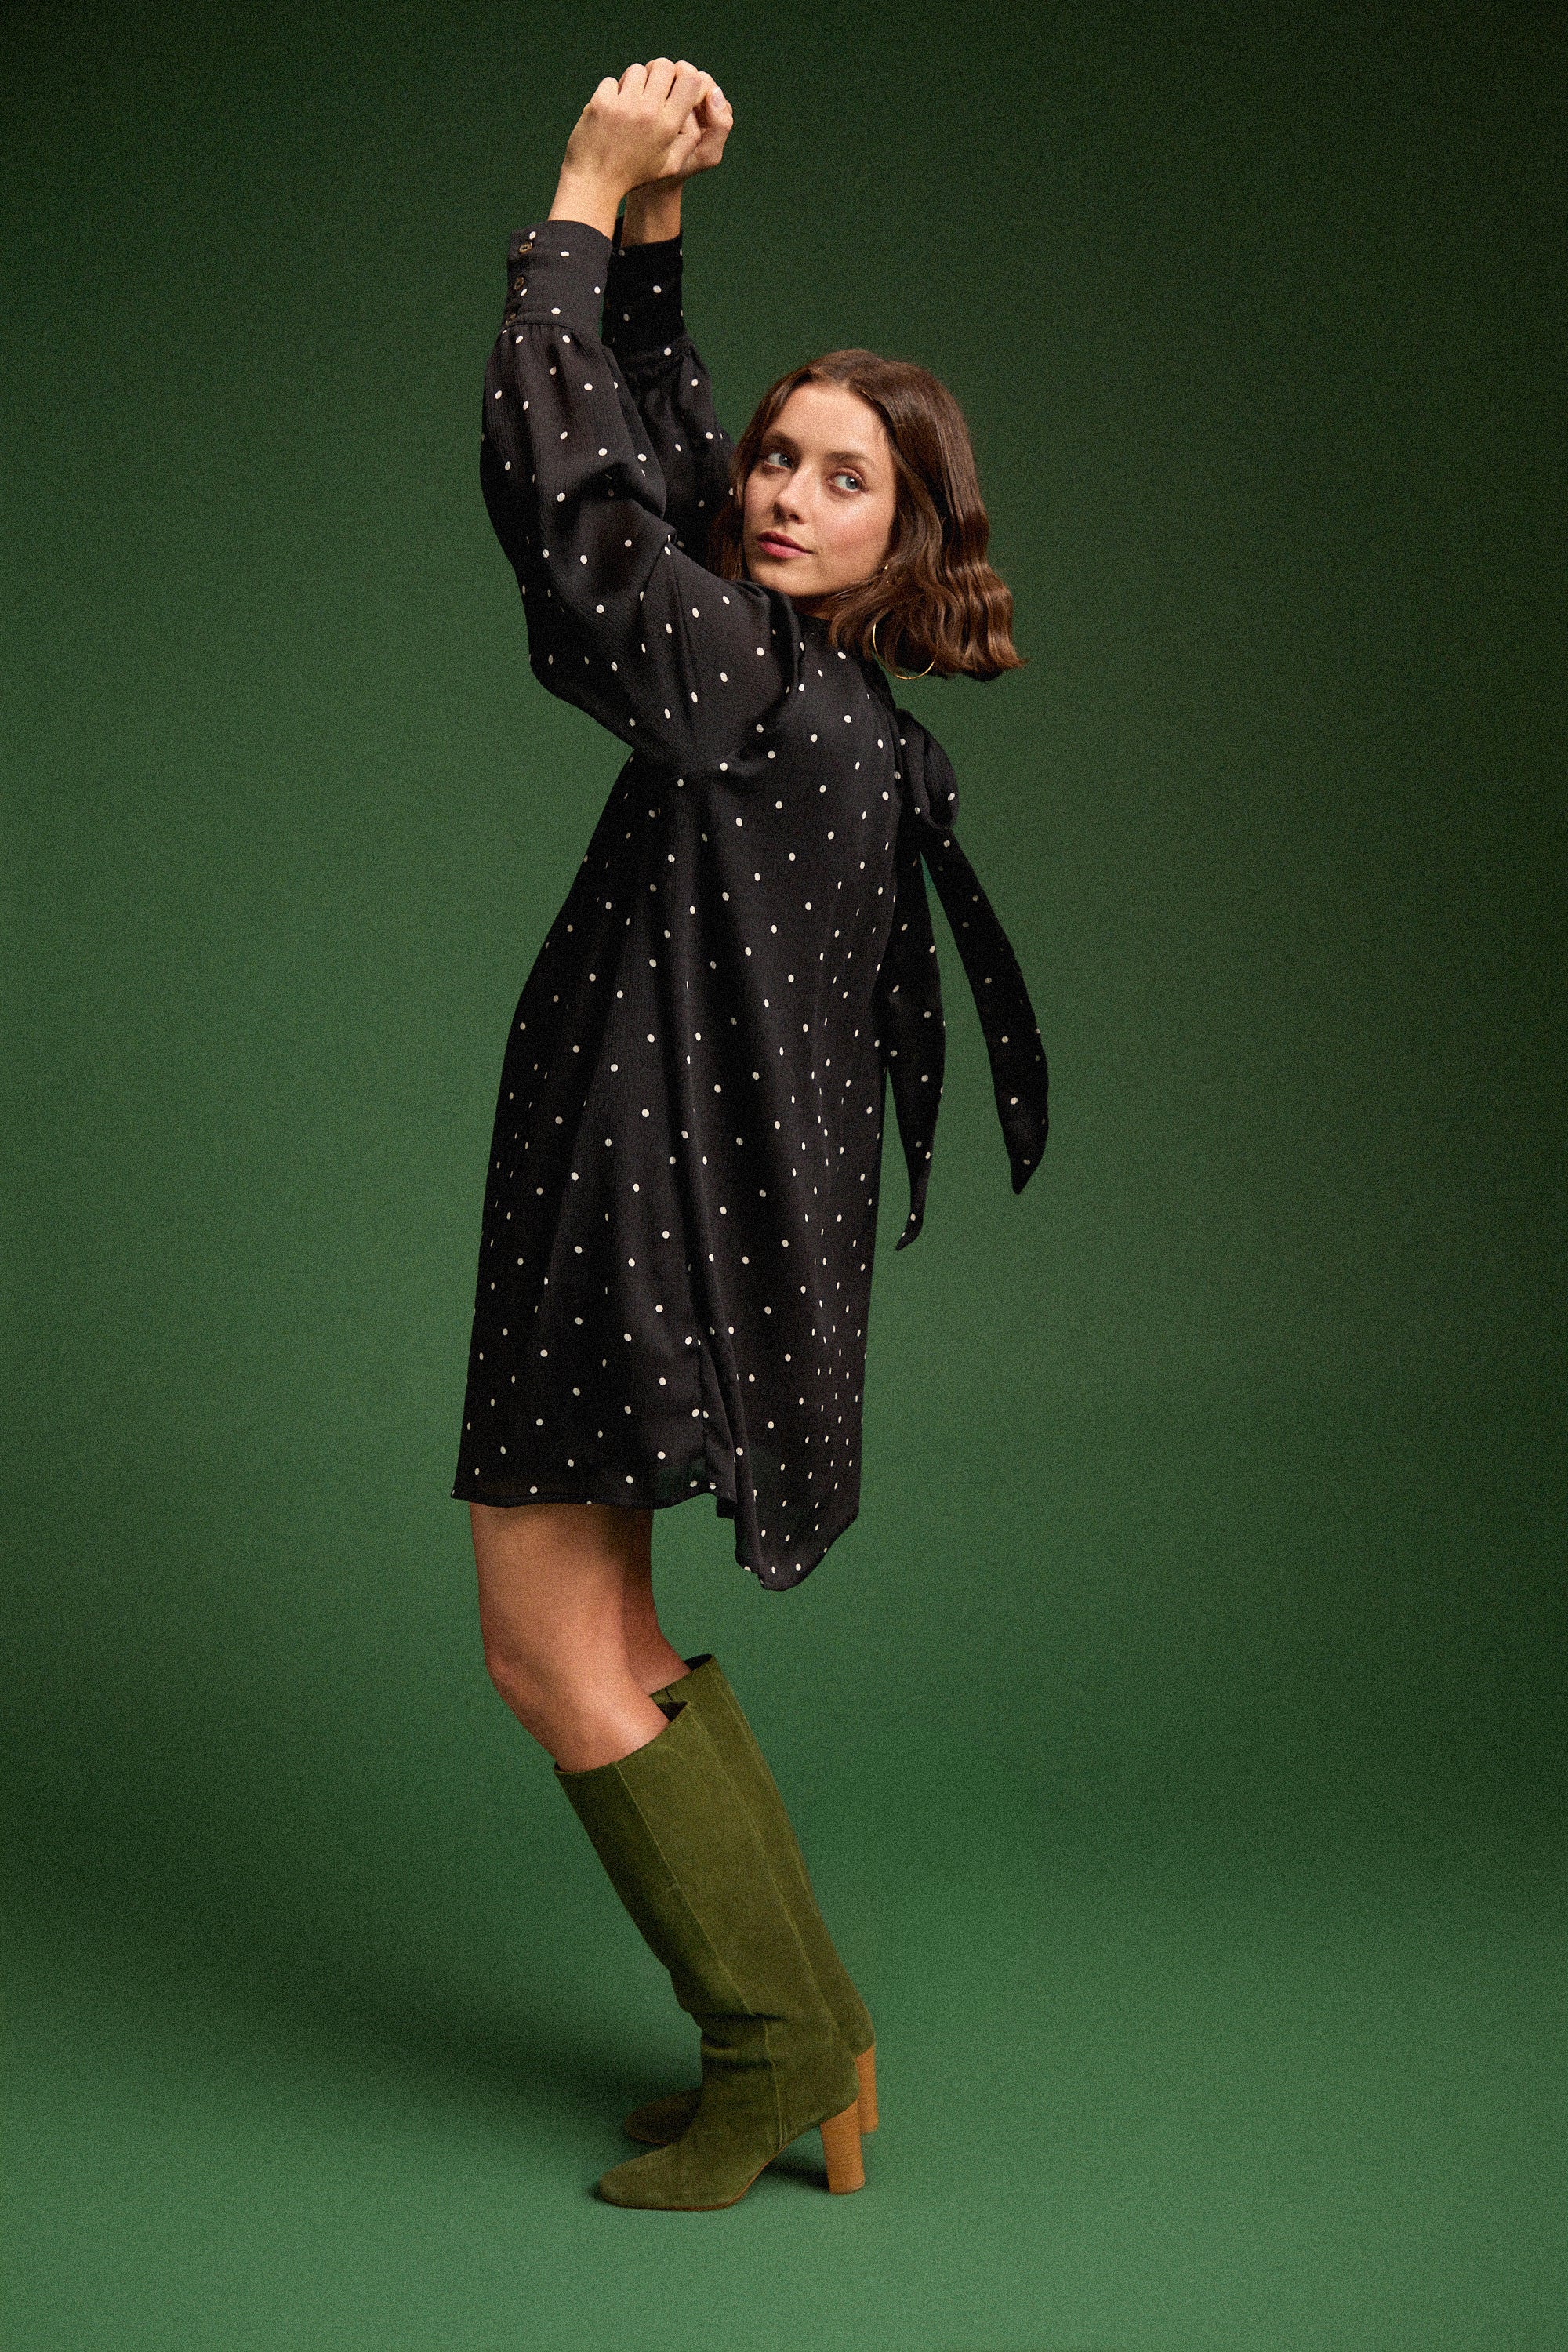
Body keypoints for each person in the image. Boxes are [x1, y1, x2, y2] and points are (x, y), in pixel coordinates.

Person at [451, 59, 1049, 2210]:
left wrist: (577, 199)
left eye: (842, 479)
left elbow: (583, 517)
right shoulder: (823, 702)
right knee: (605, 1640)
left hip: (630, 1213)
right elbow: (666, 473)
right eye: (777, 460)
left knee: (546, 1649)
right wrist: (665, 247)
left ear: (909, 538)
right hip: (653, 1202)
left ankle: (773, 2048)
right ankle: (821, 2040)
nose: (783, 495)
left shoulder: (750, 688)